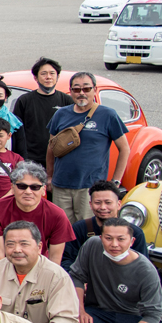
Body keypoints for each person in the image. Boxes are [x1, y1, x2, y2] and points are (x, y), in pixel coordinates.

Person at [45, 71, 129, 223]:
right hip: (61, 185)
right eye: (76, 89)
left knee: (88, 230)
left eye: (86, 89)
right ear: (70, 91)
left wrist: (116, 181)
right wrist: (50, 176)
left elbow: (125, 149)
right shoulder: (61, 114)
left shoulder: (108, 115)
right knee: (63, 231)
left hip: (90, 187)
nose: (81, 93)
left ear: (95, 90)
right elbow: (51, 148)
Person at [0, 161, 74, 266]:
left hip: (39, 267)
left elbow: (55, 259)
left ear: (44, 190)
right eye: (22, 186)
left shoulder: (57, 215)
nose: (28, 192)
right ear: (12, 188)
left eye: (35, 187)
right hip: (4, 266)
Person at [62, 180, 148, 270]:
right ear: (90, 205)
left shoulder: (135, 233)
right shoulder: (79, 229)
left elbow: (142, 267)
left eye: (108, 202)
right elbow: (66, 261)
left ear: (119, 204)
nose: (103, 207)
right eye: (98, 202)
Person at [12, 57, 73, 163]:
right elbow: (16, 132)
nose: (48, 77)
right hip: (31, 159)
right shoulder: (24, 101)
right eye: (43, 73)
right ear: (35, 77)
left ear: (58, 76)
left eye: (52, 73)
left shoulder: (67, 101)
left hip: (59, 157)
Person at [0, 117, 25, 201]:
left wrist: (1, 201)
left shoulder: (16, 158)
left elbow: (21, 182)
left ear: (9, 136)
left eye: (1, 135)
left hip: (8, 201)